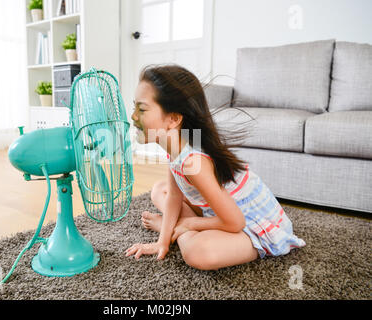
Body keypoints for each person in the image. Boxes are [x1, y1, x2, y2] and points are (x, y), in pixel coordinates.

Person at [125, 64, 306, 270]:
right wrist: (162, 242)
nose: (133, 116)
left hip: (252, 224)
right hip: (218, 212)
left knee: (198, 253)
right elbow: (174, 197)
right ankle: (176, 228)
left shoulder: (194, 163)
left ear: (173, 119)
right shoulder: (175, 148)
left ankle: (181, 230)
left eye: (142, 109)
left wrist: (188, 224)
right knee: (160, 190)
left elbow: (236, 223)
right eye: (134, 108)